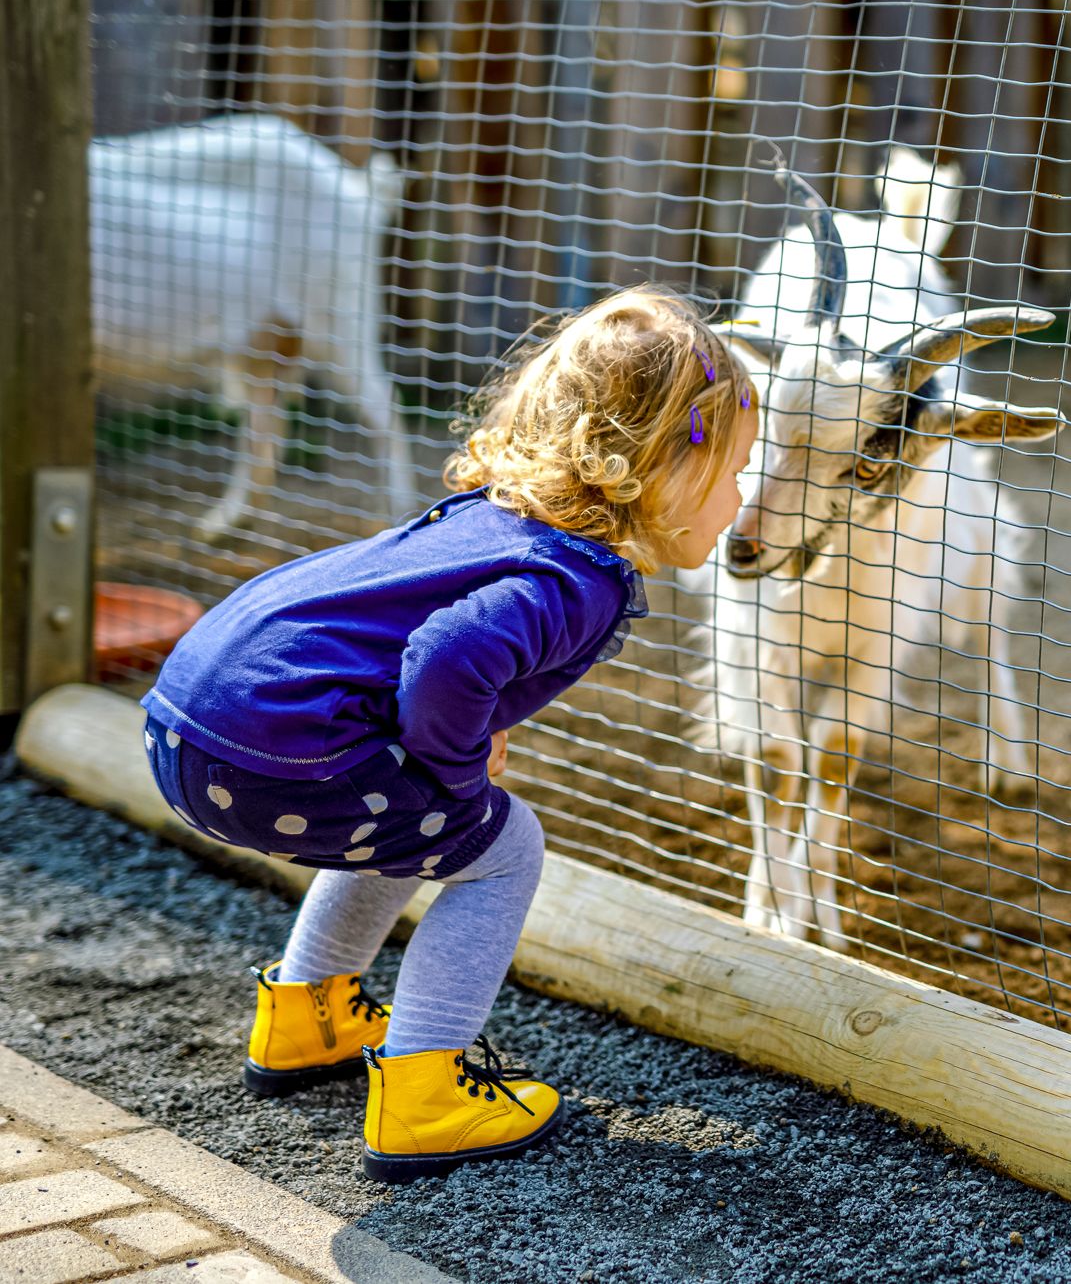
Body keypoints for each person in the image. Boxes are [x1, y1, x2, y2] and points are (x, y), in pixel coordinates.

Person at [140, 285, 757, 1182]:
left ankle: (307, 1015)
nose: (743, 496)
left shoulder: (493, 519)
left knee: (421, 819)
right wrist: (460, 772)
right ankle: (427, 1090)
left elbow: (411, 651)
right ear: (664, 464)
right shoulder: (575, 577)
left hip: (189, 726)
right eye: (734, 468)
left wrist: (446, 760)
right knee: (502, 845)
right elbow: (451, 656)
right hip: (279, 751)